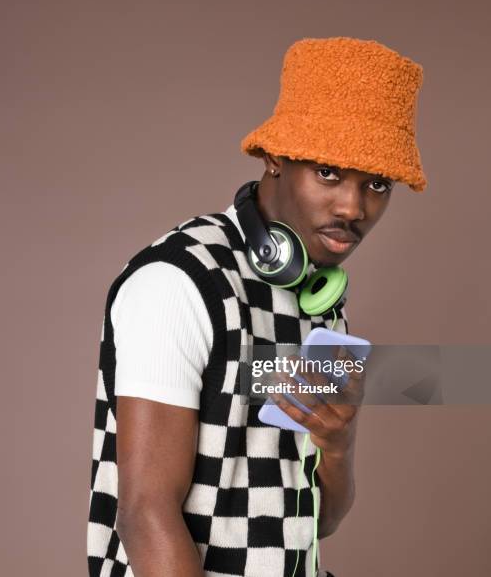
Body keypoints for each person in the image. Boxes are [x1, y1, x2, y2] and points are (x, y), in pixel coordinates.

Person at [87, 36, 426, 576]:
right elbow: (145, 514)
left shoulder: (319, 299)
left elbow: (316, 523)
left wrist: (336, 445)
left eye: (377, 184)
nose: (352, 207)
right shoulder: (179, 281)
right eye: (329, 173)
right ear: (274, 157)